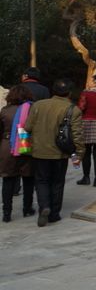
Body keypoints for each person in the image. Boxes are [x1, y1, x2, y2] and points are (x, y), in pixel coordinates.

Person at [23, 78, 83, 227]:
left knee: (41, 181)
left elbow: (28, 127)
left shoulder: (38, 105)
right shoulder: (72, 109)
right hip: (60, 153)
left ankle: (45, 207)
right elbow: (77, 135)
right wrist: (79, 154)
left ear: (52, 91)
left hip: (39, 151)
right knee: (57, 182)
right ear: (69, 93)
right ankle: (54, 214)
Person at [1, 85, 35, 222]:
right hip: (27, 144)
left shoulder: (5, 110)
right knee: (28, 179)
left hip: (7, 145)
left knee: (8, 180)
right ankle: (27, 209)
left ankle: (7, 213)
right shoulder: (32, 110)